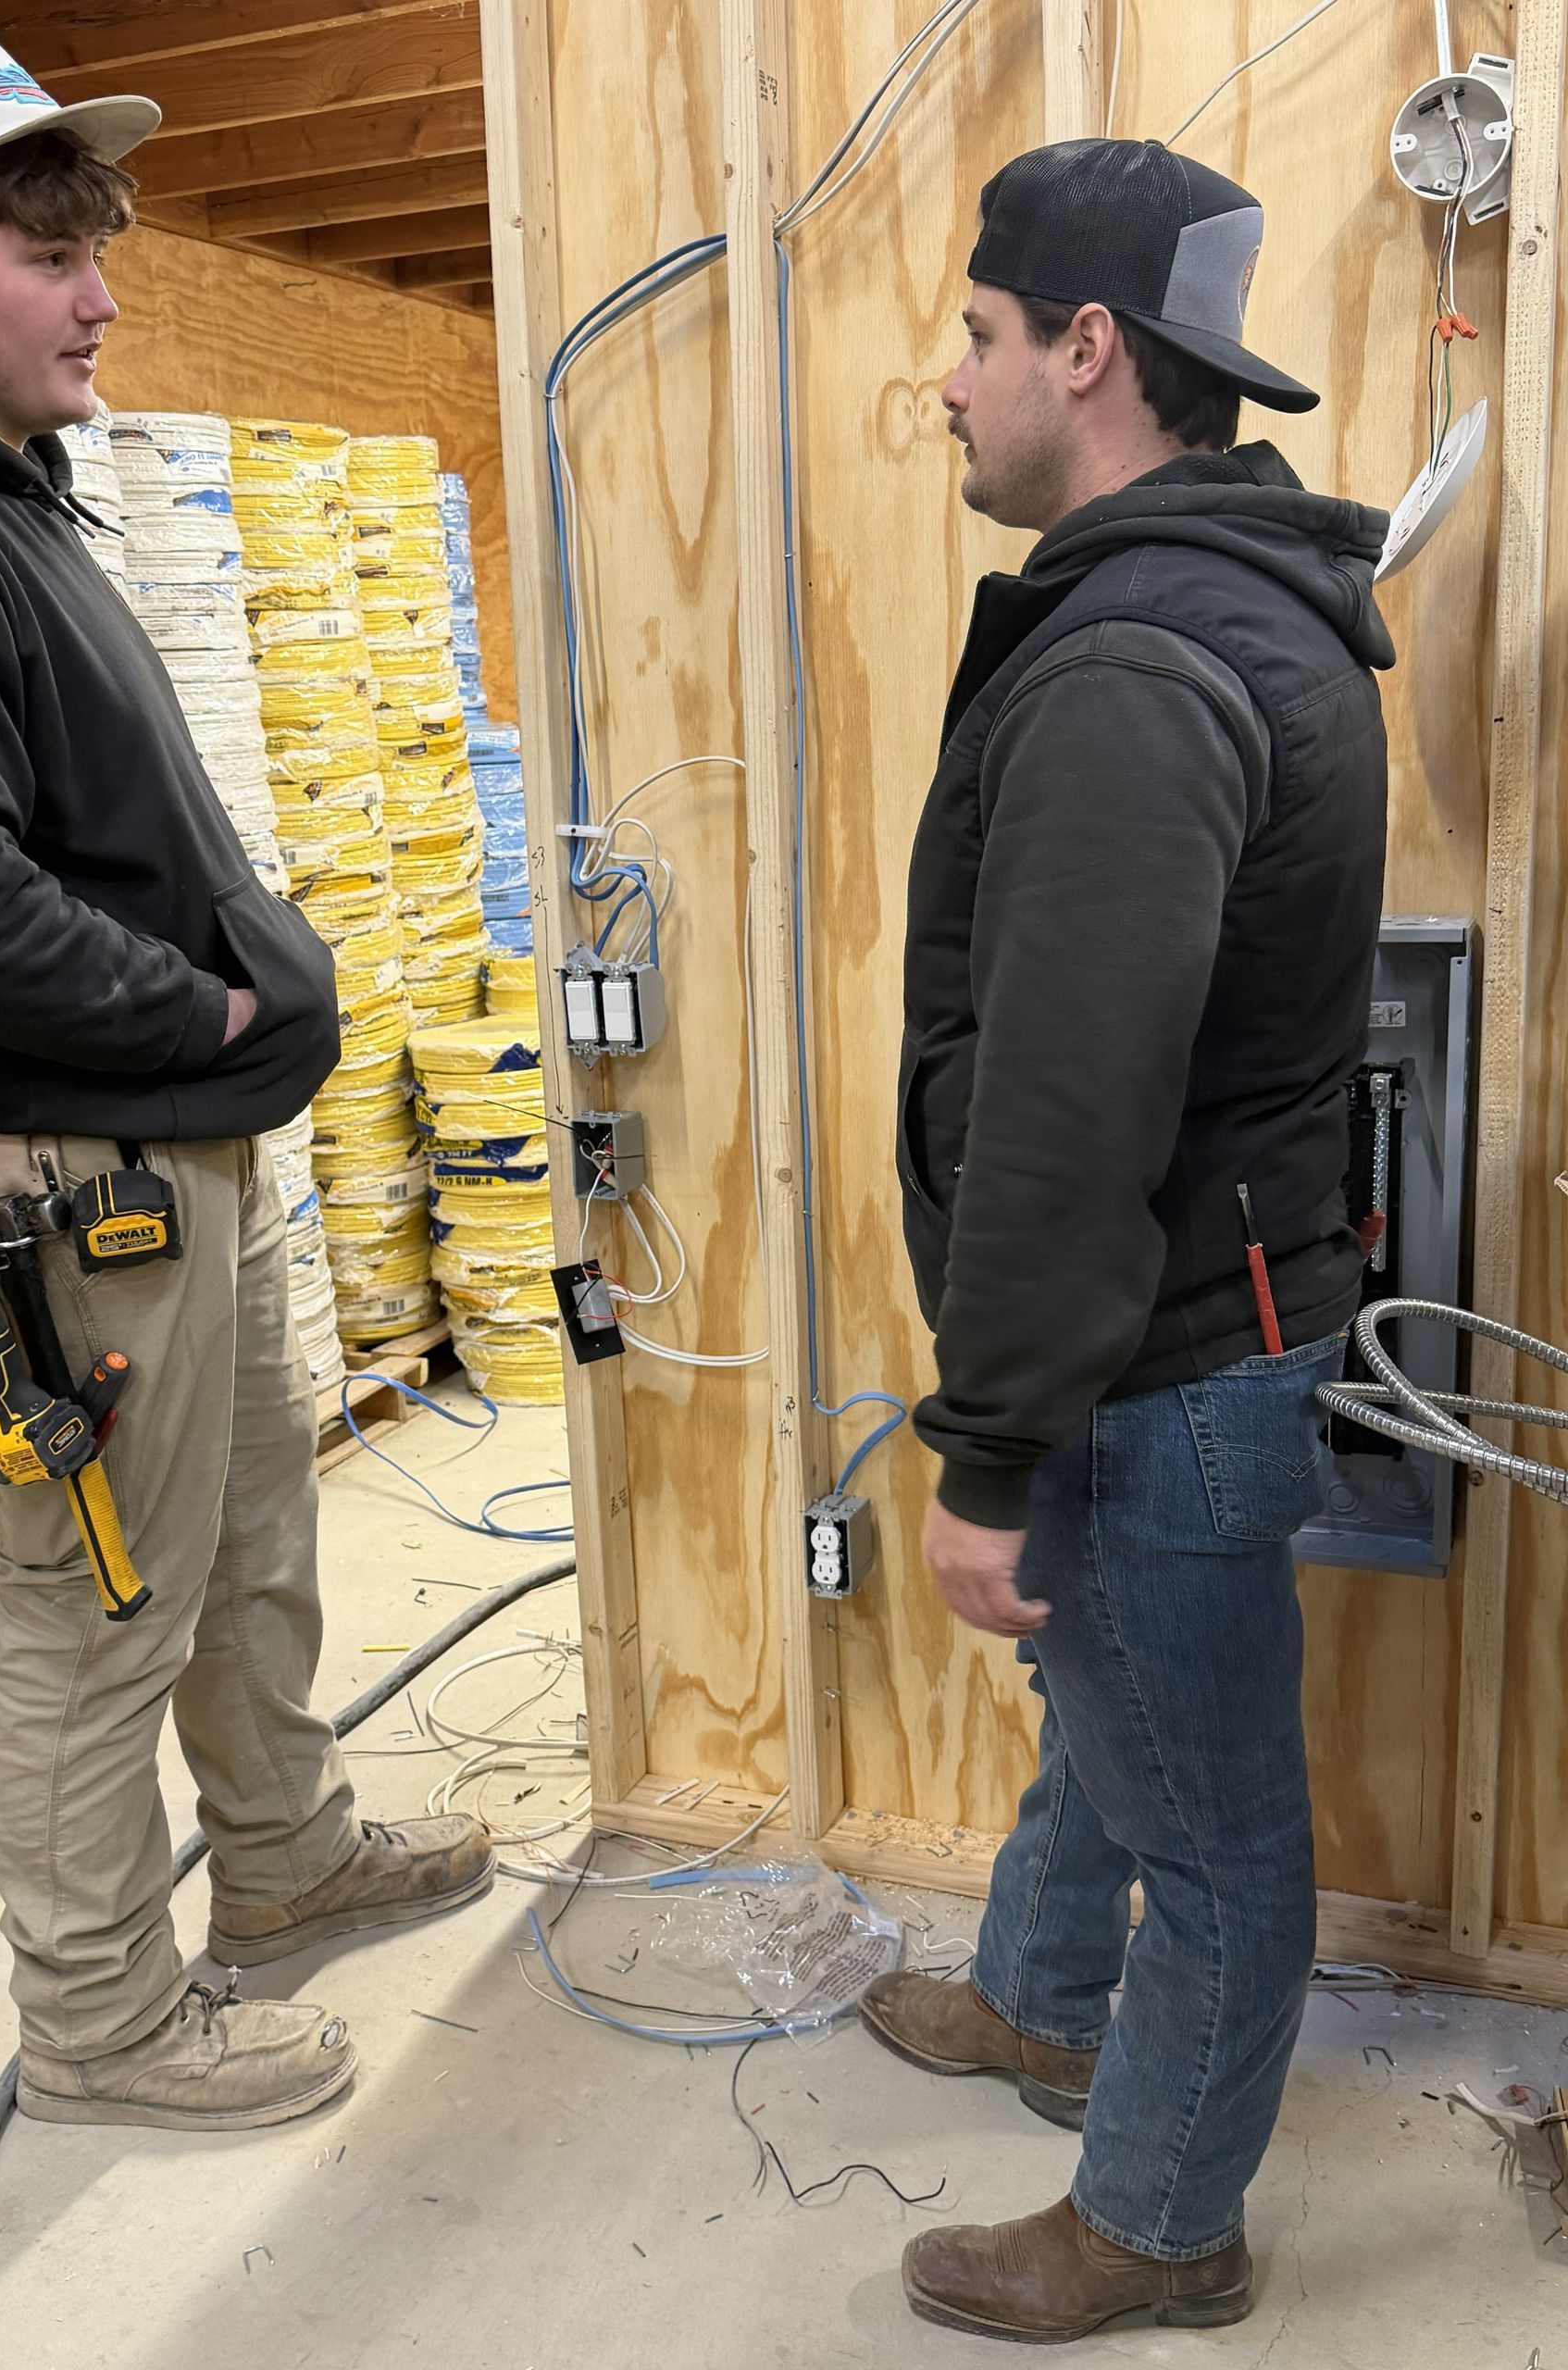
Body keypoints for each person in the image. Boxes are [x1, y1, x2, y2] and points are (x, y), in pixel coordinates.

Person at [0, 40, 492, 2132]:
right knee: (97, 1590)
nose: (103, 297)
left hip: (162, 1141)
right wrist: (202, 1012)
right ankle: (98, 2021)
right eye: (48, 254)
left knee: (249, 1526)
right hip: (62, 1161)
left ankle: (284, 1859)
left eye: (100, 252)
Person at [860, 140, 1391, 2341]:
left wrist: (986, 1452)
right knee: (1121, 1709)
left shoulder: (1138, 661)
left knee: (1217, 1824)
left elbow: (1071, 1107)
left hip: (1156, 1353)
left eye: (978, 333)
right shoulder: (1211, 607)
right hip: (1185, 1321)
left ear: (1087, 349)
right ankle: (1043, 1989)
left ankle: (1165, 2218)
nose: (951, 377)